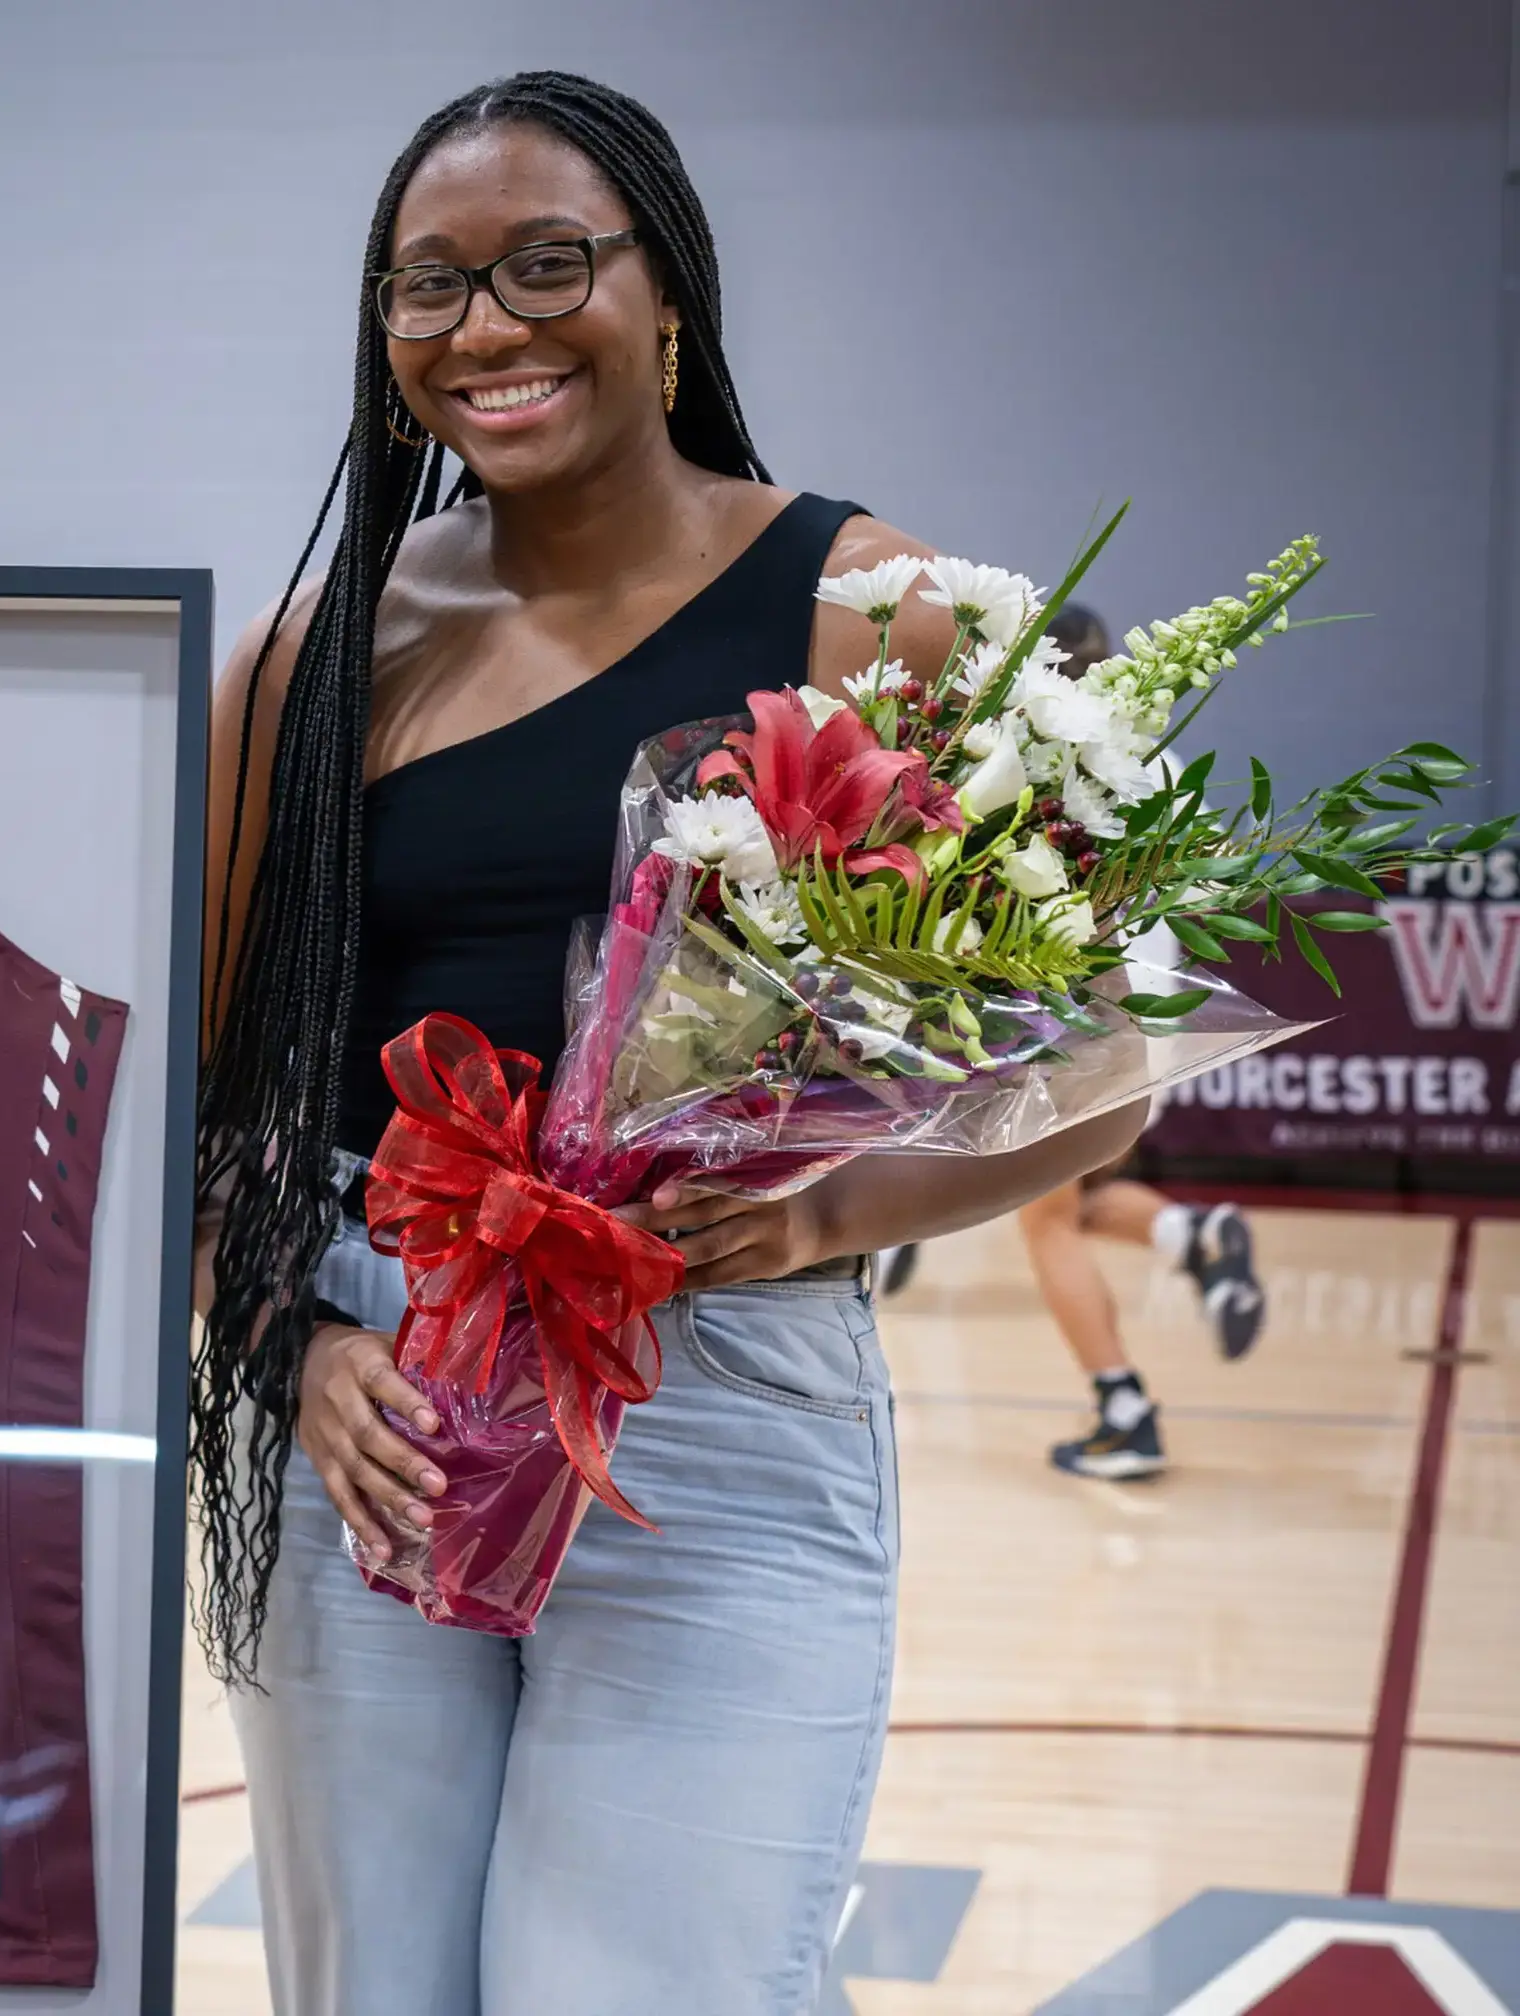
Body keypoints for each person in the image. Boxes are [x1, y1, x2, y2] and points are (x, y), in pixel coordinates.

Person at [190, 72, 1150, 2015]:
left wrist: (828, 1214)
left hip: (709, 1391)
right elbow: (207, 1119)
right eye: (426, 286)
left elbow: (1107, 1049)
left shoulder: (872, 615)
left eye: (548, 264)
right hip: (374, 1406)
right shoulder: (305, 657)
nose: (487, 328)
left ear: (667, 295)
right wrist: (290, 1345)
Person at [1019, 604, 1266, 1482]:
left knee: (1044, 1223)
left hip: (1084, 1026)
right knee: (1075, 1205)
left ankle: (1124, 1408)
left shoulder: (1046, 770)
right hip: (1155, 1023)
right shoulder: (1165, 764)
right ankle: (1192, 1234)